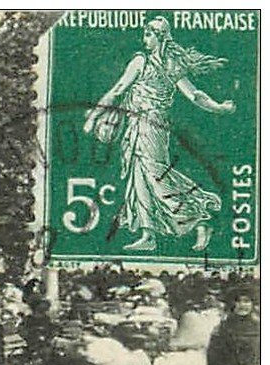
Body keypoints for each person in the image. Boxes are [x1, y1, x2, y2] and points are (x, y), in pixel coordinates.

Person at [83, 17, 234, 253]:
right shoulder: (153, 62)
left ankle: (198, 218)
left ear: (160, 37)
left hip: (151, 126)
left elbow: (193, 95)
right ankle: (148, 234)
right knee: (140, 177)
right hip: (139, 125)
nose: (144, 40)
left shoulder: (150, 63)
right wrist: (219, 107)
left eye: (148, 35)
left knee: (154, 176)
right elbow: (121, 90)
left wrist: (219, 108)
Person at [206, 284, 259, 365]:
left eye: (247, 301)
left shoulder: (259, 327)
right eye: (238, 301)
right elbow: (213, 358)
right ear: (232, 304)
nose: (242, 305)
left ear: (253, 304)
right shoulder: (222, 328)